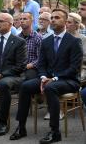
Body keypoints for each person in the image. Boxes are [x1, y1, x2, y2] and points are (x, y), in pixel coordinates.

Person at [10, 9, 83, 144]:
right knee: (25, 86)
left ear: (66, 22)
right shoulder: (46, 41)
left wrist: (54, 78)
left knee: (51, 88)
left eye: (57, 17)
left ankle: (55, 132)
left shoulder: (74, 41)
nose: (53, 20)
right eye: (52, 18)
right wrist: (43, 77)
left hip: (69, 80)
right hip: (48, 78)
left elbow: (73, 68)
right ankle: (21, 127)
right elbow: (41, 64)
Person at [66, 12, 86, 106]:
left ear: (77, 24)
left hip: (80, 68)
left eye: (69, 22)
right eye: (66, 21)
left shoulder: (82, 39)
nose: (66, 24)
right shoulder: (62, 37)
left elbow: (84, 57)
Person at [19, 12, 42, 80]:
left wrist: (29, 65)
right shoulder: (17, 38)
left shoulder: (38, 38)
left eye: (25, 19)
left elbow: (40, 58)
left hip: (32, 68)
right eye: (20, 19)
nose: (22, 21)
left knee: (26, 79)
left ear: (32, 21)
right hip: (18, 67)